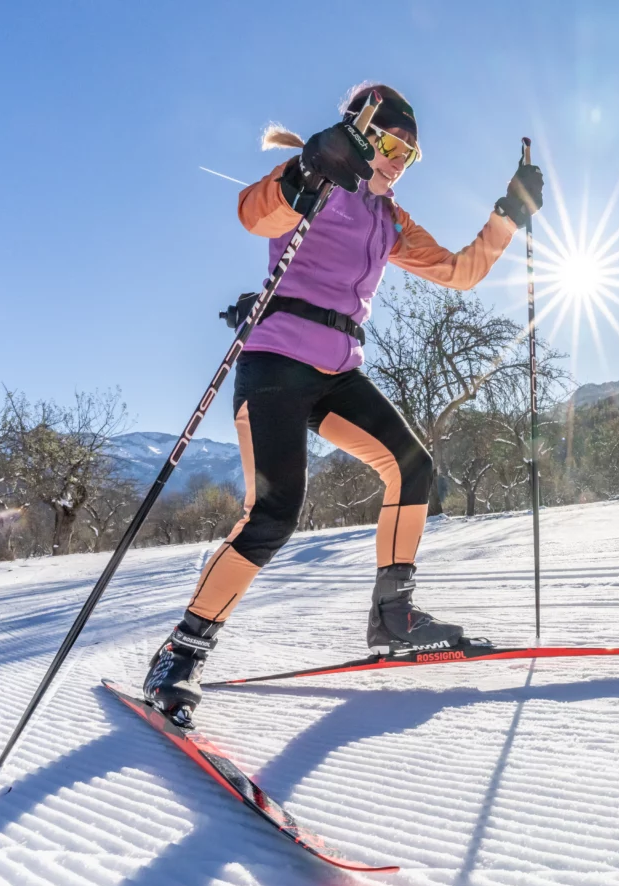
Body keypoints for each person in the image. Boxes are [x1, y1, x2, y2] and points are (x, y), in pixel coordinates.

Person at [142, 83, 544, 727]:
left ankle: (394, 616)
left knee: (411, 467)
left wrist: (509, 213)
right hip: (275, 362)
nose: (397, 161)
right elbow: (254, 213)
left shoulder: (391, 221)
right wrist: (307, 170)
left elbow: (461, 271)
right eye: (389, 144)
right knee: (273, 514)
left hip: (338, 374)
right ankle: (180, 653)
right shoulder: (319, 176)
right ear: (360, 132)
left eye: (410, 155)